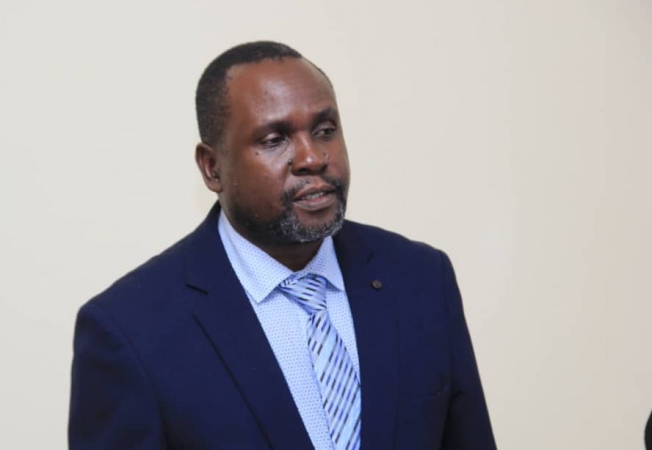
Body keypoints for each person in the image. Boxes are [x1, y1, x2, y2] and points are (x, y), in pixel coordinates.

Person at [69, 41, 496, 450]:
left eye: (325, 130)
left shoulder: (421, 279)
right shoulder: (130, 331)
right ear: (212, 167)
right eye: (274, 140)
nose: (313, 157)